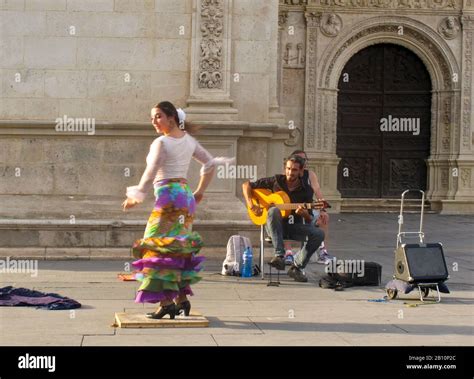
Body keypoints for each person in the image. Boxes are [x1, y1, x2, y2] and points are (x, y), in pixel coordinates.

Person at [122, 101, 231, 319]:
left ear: (172, 118)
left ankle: (166, 303)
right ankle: (181, 299)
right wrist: (199, 192)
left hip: (169, 197)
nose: (154, 121)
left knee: (153, 247)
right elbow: (210, 164)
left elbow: (151, 171)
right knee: (177, 247)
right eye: (152, 117)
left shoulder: (161, 142)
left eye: (158, 116)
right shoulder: (188, 141)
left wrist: (136, 196)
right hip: (185, 196)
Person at [242, 155, 325, 282]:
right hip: (273, 226)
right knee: (274, 210)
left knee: (319, 234)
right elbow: (246, 185)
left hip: (293, 227)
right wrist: (251, 204)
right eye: (288, 168)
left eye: (294, 170)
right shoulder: (276, 180)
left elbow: (309, 219)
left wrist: (304, 214)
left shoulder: (306, 191)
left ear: (301, 171)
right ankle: (279, 255)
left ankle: (296, 267)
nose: (290, 173)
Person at [285, 150, 333, 265]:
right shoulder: (287, 174)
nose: (303, 162)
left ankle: (323, 252)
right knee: (285, 218)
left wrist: (323, 210)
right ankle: (288, 253)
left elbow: (317, 192)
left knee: (324, 218)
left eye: (304, 160)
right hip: (291, 209)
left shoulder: (310, 175)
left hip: (308, 208)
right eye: (299, 159)